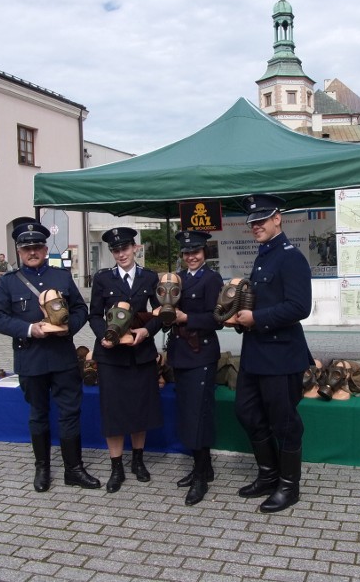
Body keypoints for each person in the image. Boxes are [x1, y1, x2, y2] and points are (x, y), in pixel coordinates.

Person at [0, 221, 100, 493]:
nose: (32, 252)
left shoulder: (61, 277)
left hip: (62, 357)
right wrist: (28, 329)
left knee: (70, 412)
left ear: (45, 248)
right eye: (27, 248)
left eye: (37, 246)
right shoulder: (9, 282)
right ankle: (43, 469)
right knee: (38, 414)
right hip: (31, 358)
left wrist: (67, 327)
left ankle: (73, 469)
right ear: (19, 251)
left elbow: (80, 310)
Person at [233, 194, 312, 513]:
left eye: (261, 221)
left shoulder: (291, 257)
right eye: (252, 222)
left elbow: (299, 307)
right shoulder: (263, 256)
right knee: (246, 412)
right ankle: (268, 475)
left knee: (285, 422)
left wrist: (257, 319)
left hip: (281, 356)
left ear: (277, 218)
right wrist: (240, 318)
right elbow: (260, 301)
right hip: (255, 354)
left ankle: (289, 487)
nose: (255, 226)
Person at [89, 227, 163, 494]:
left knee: (140, 409)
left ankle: (138, 462)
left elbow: (160, 313)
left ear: (135, 249)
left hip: (140, 353)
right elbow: (94, 314)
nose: (121, 254)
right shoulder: (103, 279)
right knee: (114, 411)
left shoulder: (149, 277)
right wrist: (103, 336)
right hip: (111, 355)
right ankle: (116, 467)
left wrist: (148, 330)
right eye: (116, 250)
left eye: (125, 248)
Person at [167, 230, 224, 506]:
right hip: (180, 353)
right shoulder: (176, 279)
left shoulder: (212, 279)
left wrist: (186, 317)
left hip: (201, 353)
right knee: (188, 413)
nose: (191, 257)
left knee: (199, 414)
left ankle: (201, 476)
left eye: (197, 252)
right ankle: (204, 467)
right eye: (187, 253)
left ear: (205, 252)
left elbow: (218, 318)